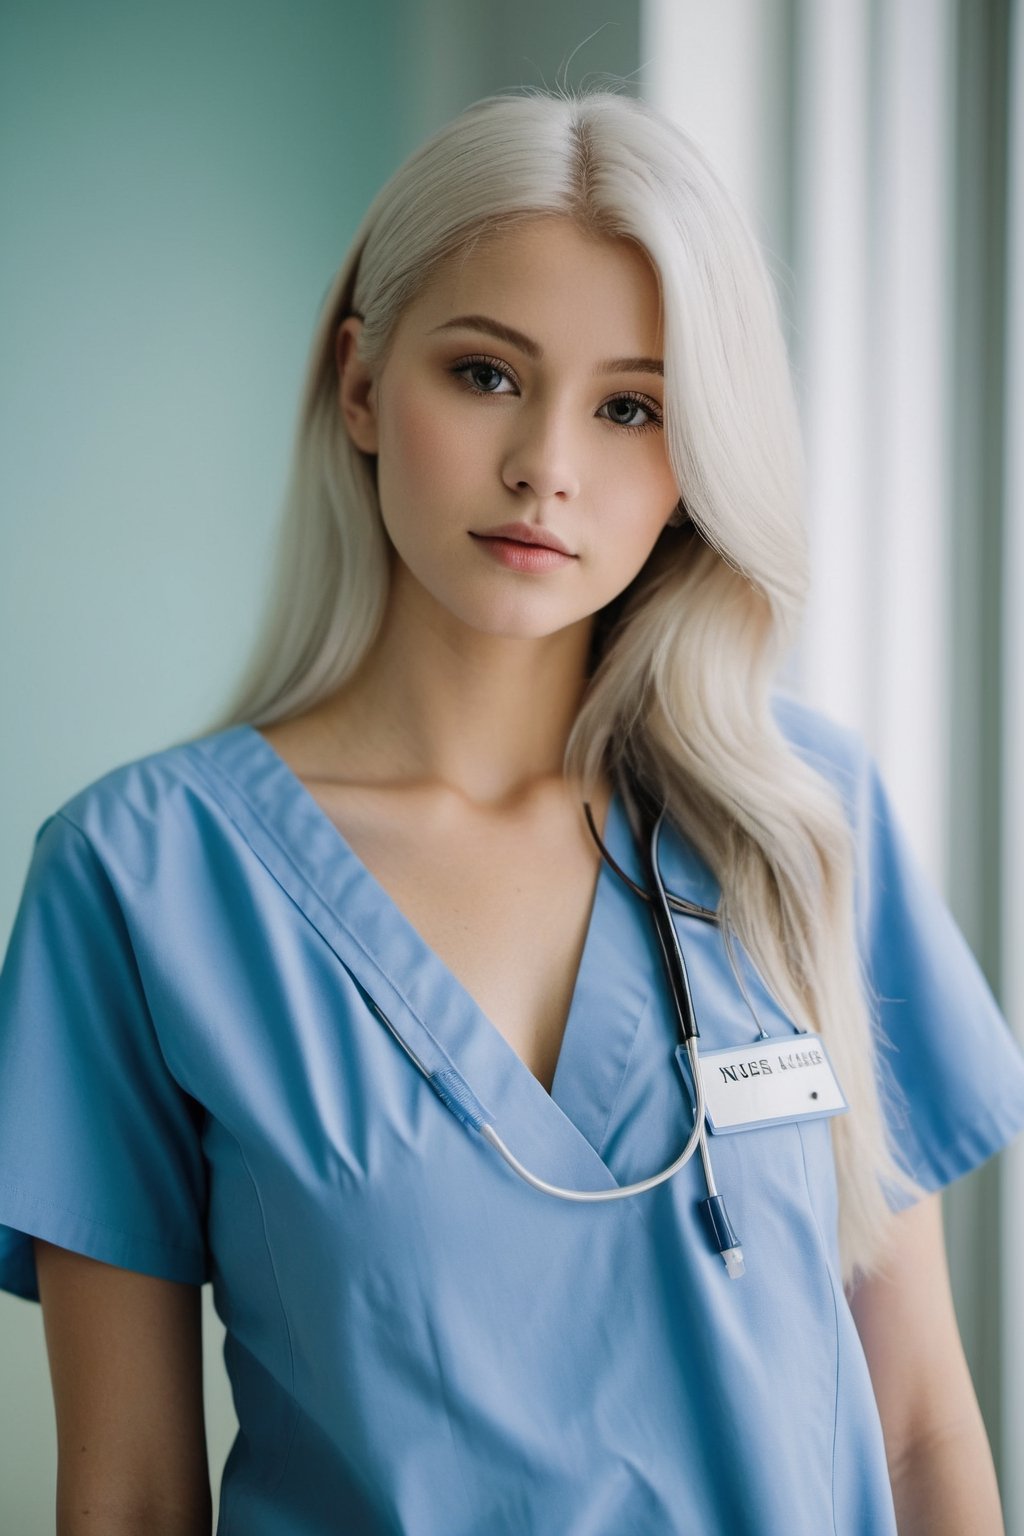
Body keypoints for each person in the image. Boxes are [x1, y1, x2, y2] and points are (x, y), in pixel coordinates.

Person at [1, 86, 1023, 1536]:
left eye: (631, 407)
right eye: (486, 375)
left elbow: (922, 1433)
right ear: (361, 383)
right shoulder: (138, 883)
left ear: (693, 466)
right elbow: (128, 1495)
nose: (549, 462)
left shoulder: (803, 826)